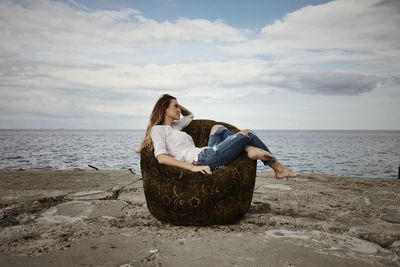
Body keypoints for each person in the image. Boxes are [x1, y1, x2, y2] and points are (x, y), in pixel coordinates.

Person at [137, 94, 299, 179]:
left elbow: (191, 115)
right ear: (165, 109)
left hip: (206, 152)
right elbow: (162, 158)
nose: (179, 109)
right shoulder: (158, 130)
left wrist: (177, 105)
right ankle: (279, 169)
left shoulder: (175, 126)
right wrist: (193, 167)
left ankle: (248, 149)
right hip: (201, 159)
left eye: (178, 106)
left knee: (218, 128)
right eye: (175, 106)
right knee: (247, 133)